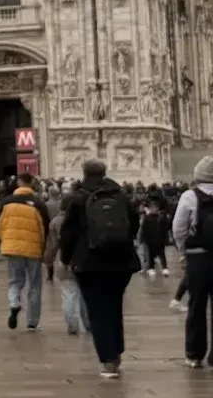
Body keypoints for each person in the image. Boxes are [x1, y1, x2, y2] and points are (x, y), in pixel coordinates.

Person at [59, 158, 140, 377]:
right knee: (114, 306)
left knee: (97, 310)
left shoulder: (77, 198)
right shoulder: (120, 195)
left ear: (84, 172)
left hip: (89, 262)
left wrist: (66, 259)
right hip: (122, 260)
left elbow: (68, 233)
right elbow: (133, 225)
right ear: (105, 172)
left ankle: (108, 360)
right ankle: (117, 351)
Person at [172, 155, 213, 368]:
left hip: (197, 257)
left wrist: (183, 251)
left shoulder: (190, 196)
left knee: (196, 306)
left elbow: (179, 228)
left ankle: (194, 354)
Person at [0, 172, 51, 330]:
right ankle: (32, 322)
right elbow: (45, 228)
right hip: (33, 249)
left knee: (15, 281)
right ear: (31, 183)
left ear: (19, 183)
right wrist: (43, 248)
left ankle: (14, 303)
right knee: (34, 285)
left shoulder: (6, 202)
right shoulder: (38, 203)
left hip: (12, 247)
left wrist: (3, 242)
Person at [45, 193, 89, 335]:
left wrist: (48, 259)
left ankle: (72, 324)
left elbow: (53, 245)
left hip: (63, 261)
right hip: (84, 261)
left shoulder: (55, 222)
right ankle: (88, 324)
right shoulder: (86, 219)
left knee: (69, 293)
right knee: (85, 294)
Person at [138, 197, 171, 279]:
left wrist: (166, 239)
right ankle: (151, 268)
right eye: (151, 208)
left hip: (160, 239)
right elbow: (143, 229)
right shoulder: (146, 218)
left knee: (162, 254)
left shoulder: (161, 218)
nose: (153, 209)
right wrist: (142, 238)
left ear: (157, 208)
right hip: (149, 239)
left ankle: (164, 268)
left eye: (155, 207)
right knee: (151, 254)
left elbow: (165, 229)